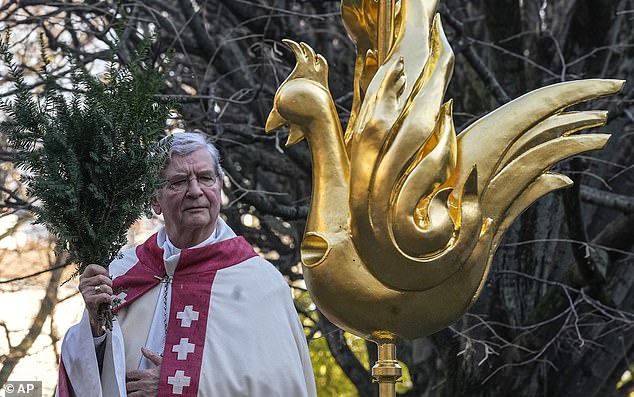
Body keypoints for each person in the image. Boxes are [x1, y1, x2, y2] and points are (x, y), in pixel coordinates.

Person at [56, 132, 317, 396]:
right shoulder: (125, 270)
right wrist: (93, 325)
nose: (195, 191)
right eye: (179, 182)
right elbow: (88, 374)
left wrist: (177, 385)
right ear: (155, 200)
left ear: (219, 186)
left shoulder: (259, 282)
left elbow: (281, 385)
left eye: (205, 178)